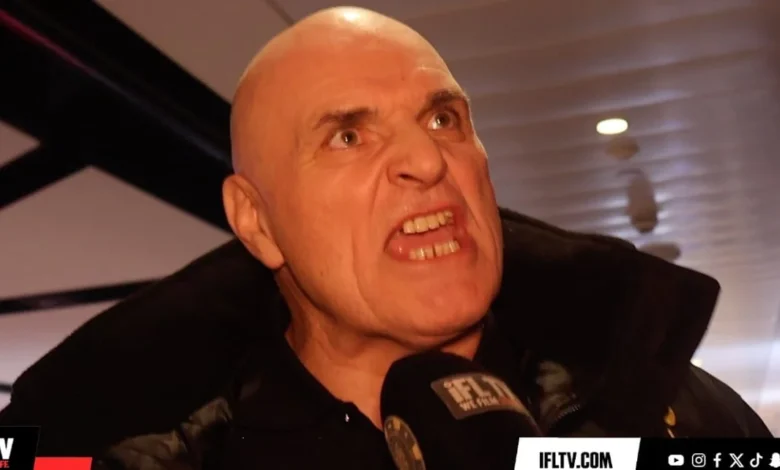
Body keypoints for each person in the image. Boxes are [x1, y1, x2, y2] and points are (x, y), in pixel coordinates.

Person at [0, 6, 771, 470]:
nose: (428, 161)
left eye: (443, 118)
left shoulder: (681, 417)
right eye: (347, 136)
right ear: (257, 222)